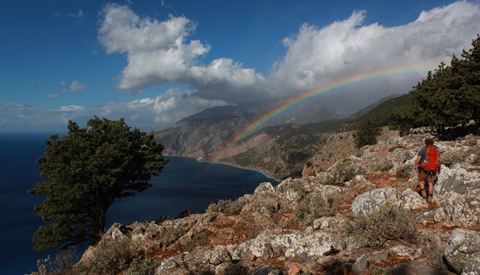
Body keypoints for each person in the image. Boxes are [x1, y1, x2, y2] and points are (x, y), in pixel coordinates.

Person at [414, 138, 441, 203]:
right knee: (430, 183)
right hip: (433, 169)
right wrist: (439, 169)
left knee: (420, 179)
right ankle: (429, 199)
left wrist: (415, 165)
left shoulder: (423, 149)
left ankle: (424, 195)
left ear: (425, 143)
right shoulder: (435, 150)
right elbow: (438, 160)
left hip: (424, 168)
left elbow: (418, 159)